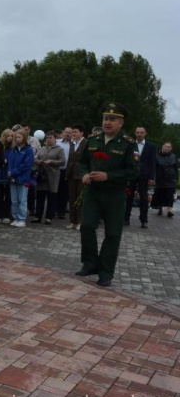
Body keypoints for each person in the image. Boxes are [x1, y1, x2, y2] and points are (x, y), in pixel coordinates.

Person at [75, 103, 139, 287]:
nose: (107, 122)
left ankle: (105, 272)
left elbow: (133, 171)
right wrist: (85, 174)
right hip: (93, 192)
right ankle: (90, 264)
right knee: (86, 226)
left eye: (112, 119)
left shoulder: (128, 144)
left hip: (115, 194)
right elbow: (83, 163)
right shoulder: (93, 140)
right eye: (105, 118)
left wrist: (108, 176)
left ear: (121, 122)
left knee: (112, 234)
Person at [31, 131, 66, 225]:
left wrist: (52, 162)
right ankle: (38, 216)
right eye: (47, 138)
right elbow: (36, 158)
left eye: (50, 138)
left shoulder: (59, 149)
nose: (48, 140)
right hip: (42, 175)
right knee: (40, 196)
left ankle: (49, 217)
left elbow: (63, 161)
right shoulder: (42, 148)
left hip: (53, 176)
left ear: (55, 139)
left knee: (51, 197)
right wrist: (38, 161)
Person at [125, 126, 157, 229]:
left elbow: (152, 163)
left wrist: (151, 177)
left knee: (143, 198)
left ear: (145, 133)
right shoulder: (131, 144)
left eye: (141, 132)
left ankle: (144, 220)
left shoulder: (151, 146)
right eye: (138, 132)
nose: (139, 134)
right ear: (135, 133)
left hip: (144, 176)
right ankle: (126, 218)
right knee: (128, 197)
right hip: (132, 175)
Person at [6, 130, 34, 228]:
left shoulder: (28, 150)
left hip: (23, 178)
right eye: (16, 137)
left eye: (19, 137)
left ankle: (22, 219)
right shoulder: (13, 149)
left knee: (22, 199)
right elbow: (10, 162)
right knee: (14, 200)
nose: (17, 139)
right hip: (12, 178)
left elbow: (26, 165)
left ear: (24, 138)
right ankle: (15, 218)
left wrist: (13, 172)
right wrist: (10, 173)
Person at [66, 124, 88, 231]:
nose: (73, 134)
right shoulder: (72, 143)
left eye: (75, 132)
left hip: (81, 174)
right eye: (73, 132)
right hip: (71, 174)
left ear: (81, 133)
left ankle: (79, 222)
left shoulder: (86, 143)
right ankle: (72, 221)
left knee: (80, 199)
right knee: (71, 198)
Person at [0, 128, 15, 224]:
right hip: (0, 174)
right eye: (8, 136)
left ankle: (6, 215)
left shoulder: (14, 149)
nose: (10, 138)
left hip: (9, 174)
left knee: (9, 196)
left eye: (11, 136)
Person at [152, 142, 177, 217]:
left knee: (170, 195)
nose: (167, 148)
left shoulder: (173, 156)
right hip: (160, 178)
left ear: (171, 148)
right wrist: (152, 178)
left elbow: (175, 168)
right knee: (160, 193)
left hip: (171, 179)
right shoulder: (156, 156)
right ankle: (160, 208)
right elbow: (154, 168)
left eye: (169, 147)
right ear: (162, 147)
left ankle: (169, 211)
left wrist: (176, 178)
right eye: (166, 146)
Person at [55, 127, 73, 219]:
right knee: (55, 190)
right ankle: (54, 210)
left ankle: (61, 212)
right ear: (63, 133)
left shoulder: (74, 144)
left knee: (64, 192)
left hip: (68, 170)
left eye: (69, 133)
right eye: (66, 132)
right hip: (57, 169)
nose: (67, 134)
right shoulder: (57, 143)